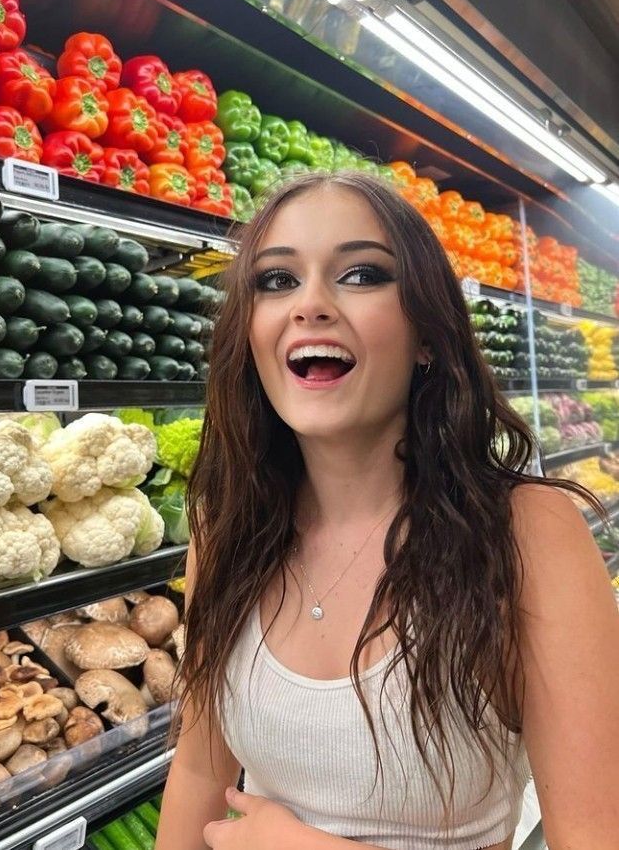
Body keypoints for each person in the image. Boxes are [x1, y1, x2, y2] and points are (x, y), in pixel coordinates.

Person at [154, 171, 619, 850]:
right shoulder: (224, 533)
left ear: (426, 333)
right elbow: (198, 770)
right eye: (276, 281)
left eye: (362, 274)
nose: (308, 304)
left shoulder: (525, 533)